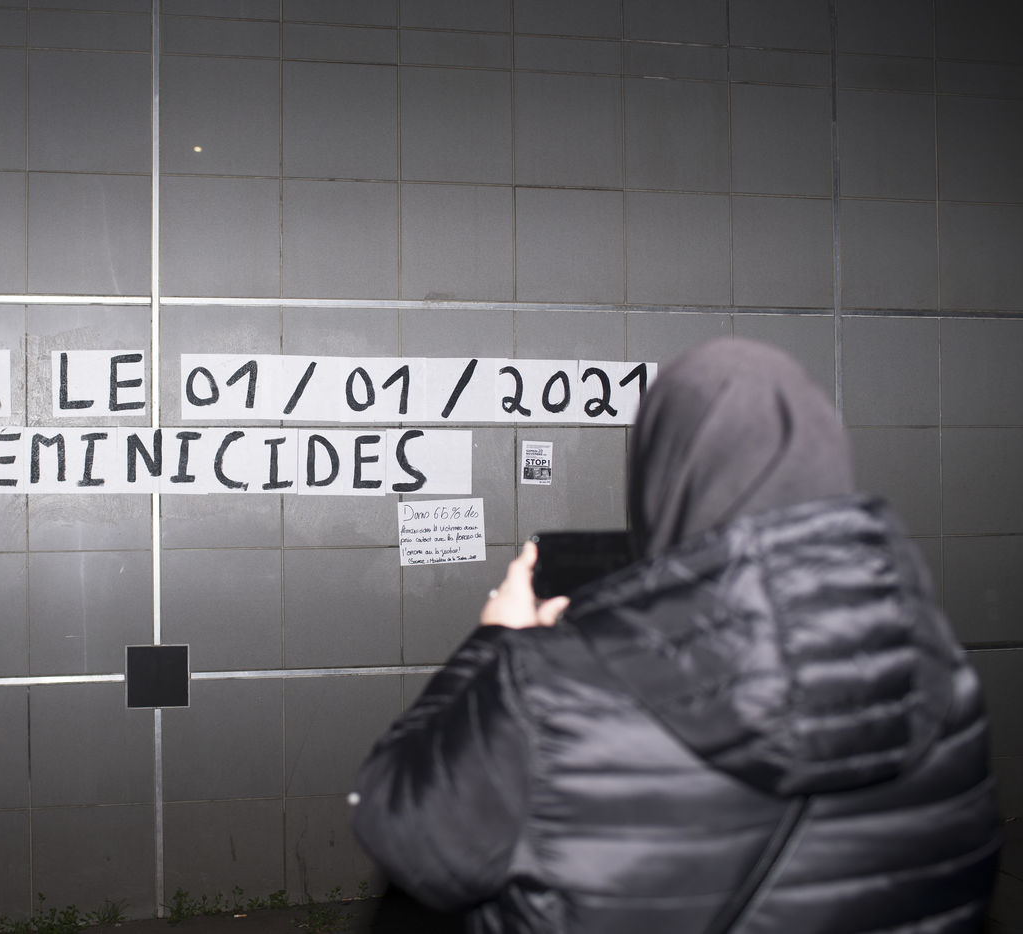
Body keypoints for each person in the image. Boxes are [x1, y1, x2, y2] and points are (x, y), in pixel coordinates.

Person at [350, 338, 1000, 933]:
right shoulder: (943, 677)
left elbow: (403, 829)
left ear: (663, 472)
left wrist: (494, 640)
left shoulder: (552, 689)